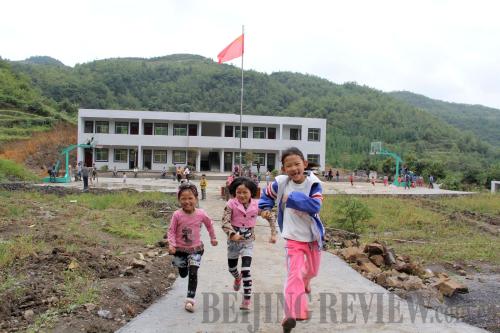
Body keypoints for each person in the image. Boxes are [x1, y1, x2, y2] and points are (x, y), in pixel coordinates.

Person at [259, 147, 325, 332]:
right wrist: (265, 207)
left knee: (311, 272)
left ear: (304, 164)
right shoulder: (280, 183)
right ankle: (291, 314)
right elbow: (266, 196)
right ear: (283, 169)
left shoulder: (314, 183)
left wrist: (291, 198)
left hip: (312, 237)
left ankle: (305, 284)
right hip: (293, 237)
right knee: (293, 275)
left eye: (297, 164)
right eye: (289, 166)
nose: (294, 168)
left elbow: (315, 206)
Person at [222, 177, 277, 311]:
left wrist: (273, 233)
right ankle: (237, 278)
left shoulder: (257, 205)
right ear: (234, 193)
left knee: (246, 270)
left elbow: (270, 216)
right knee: (232, 269)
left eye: (245, 192)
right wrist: (232, 234)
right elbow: (224, 222)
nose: (241, 195)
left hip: (248, 242)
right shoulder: (230, 204)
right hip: (233, 243)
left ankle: (247, 299)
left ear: (251, 193)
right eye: (238, 192)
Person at [167, 183, 218, 312]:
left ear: (196, 199)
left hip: (196, 249)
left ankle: (190, 300)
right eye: (183, 199)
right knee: (183, 273)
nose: (187, 201)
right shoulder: (177, 215)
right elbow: (171, 231)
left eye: (190, 198)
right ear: (179, 200)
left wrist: (213, 238)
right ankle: (182, 268)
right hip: (179, 250)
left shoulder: (201, 214)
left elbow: (209, 225)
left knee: (193, 272)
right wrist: (171, 244)